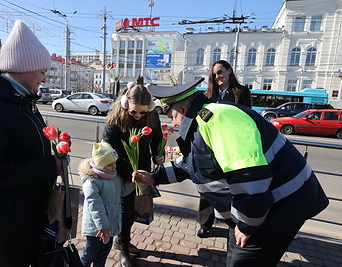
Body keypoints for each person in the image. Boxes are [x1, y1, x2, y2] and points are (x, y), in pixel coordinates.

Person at [133, 78, 329, 266]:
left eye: (172, 117)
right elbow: (193, 163)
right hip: (262, 205)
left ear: (183, 109)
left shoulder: (220, 119)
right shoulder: (202, 122)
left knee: (244, 260)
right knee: (235, 253)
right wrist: (154, 177)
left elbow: (250, 178)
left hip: (280, 205)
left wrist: (246, 226)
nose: (174, 124)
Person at [0, 20, 63, 266]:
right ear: (23, 67)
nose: (44, 78)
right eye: (42, 71)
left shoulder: (20, 101)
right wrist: (50, 167)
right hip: (4, 228)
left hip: (24, 220)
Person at [102, 82, 164, 267]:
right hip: (121, 171)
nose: (138, 115)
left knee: (136, 208)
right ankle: (124, 249)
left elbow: (157, 136)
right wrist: (129, 171)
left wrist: (158, 154)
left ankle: (122, 240)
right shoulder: (115, 120)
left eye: (143, 112)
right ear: (125, 104)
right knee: (125, 211)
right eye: (134, 112)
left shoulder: (151, 116)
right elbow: (108, 149)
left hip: (143, 170)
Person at [197, 60, 252, 238]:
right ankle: (205, 223)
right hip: (212, 145)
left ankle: (235, 223)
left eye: (220, 72)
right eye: (214, 74)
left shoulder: (241, 92)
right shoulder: (208, 94)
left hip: (233, 145)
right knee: (208, 185)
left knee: (234, 186)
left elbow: (247, 117)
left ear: (229, 70)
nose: (217, 76)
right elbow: (203, 117)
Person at [79, 141, 134, 267]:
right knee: (89, 255)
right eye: (109, 165)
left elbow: (122, 191)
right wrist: (102, 225)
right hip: (96, 229)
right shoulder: (92, 182)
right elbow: (95, 206)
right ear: (100, 165)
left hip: (110, 227)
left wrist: (133, 182)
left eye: (114, 163)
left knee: (102, 255)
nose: (114, 167)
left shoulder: (114, 177)